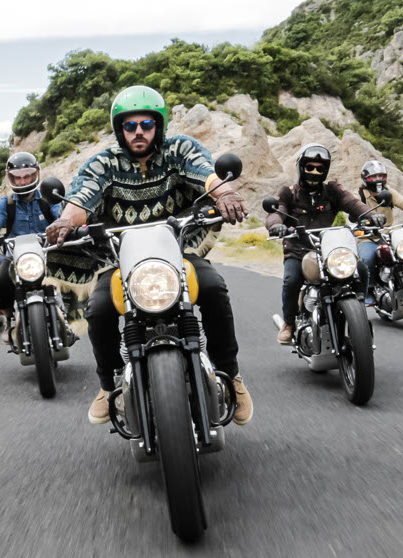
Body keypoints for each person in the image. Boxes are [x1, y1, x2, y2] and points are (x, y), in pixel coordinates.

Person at [43, 85, 253, 426]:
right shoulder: (103, 163)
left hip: (177, 251)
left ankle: (231, 377)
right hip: (120, 259)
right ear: (119, 129)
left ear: (159, 125)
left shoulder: (180, 149)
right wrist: (66, 220)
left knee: (214, 288)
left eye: (145, 124)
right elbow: (83, 197)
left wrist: (225, 191)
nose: (138, 131)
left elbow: (205, 173)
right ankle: (109, 385)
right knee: (98, 309)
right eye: (129, 125)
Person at [264, 143, 375, 340]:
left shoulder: (332, 190)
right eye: (310, 167)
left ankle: (358, 312)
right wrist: (275, 226)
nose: (315, 172)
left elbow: (352, 203)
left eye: (319, 168)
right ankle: (289, 323)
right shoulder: (288, 193)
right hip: (298, 250)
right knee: (291, 281)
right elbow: (275, 212)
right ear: (301, 167)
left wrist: (370, 215)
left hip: (328, 249)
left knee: (361, 269)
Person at [0, 152, 77, 346]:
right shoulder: (6, 203)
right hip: (16, 256)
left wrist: (65, 226)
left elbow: (61, 216)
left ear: (36, 175)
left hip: (48, 253)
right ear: (11, 178)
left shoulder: (48, 199)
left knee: (74, 275)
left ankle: (71, 318)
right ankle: (9, 320)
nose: (23, 181)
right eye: (17, 177)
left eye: (27, 176)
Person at [356, 159, 403, 303]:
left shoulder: (388, 192)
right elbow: (354, 211)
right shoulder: (359, 194)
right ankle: (371, 290)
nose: (378, 180)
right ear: (366, 179)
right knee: (367, 258)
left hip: (388, 233)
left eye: (381, 176)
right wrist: (360, 228)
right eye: (373, 176)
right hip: (367, 237)